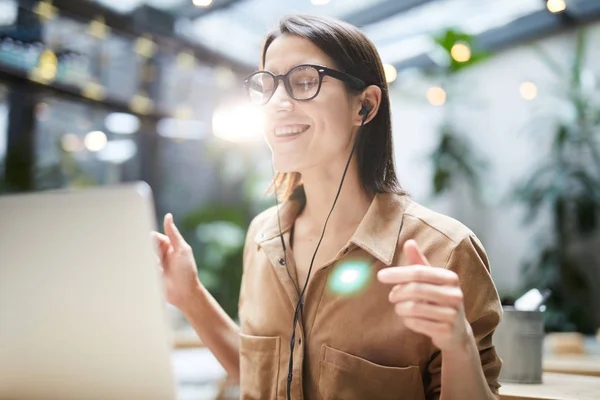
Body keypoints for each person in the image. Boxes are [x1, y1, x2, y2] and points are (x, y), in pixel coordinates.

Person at [154, 14, 502, 400]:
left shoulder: (446, 251)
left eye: (304, 82)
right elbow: (262, 378)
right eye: (267, 86)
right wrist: (189, 294)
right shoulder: (264, 237)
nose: (278, 103)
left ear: (365, 107)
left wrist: (459, 344)